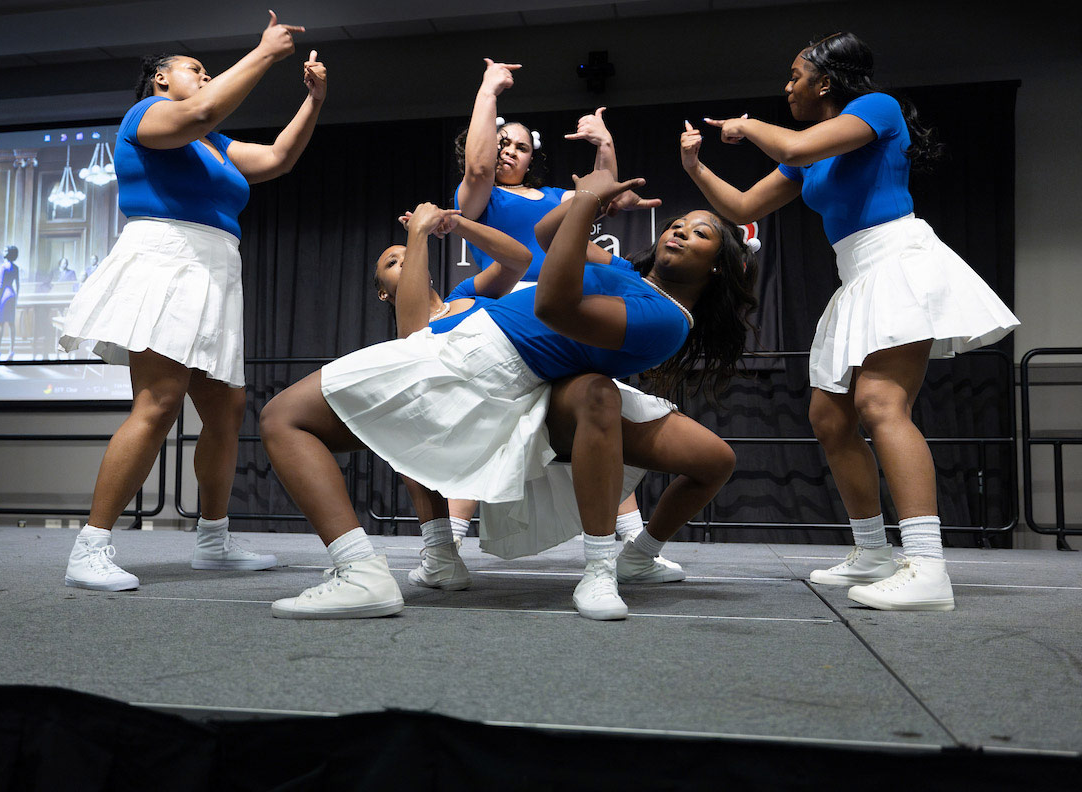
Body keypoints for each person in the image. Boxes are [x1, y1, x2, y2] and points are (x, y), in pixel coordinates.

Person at [259, 168, 756, 620]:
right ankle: (404, 562)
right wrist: (585, 208)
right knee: (289, 417)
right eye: (679, 223)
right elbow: (545, 236)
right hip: (477, 353)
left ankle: (362, 573)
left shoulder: (668, 320)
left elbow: (555, 307)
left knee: (284, 417)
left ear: (718, 267)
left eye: (700, 231)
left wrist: (583, 201)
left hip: (484, 359)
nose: (680, 229)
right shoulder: (628, 274)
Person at [682, 31, 1019, 611]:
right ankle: (872, 552)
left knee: (881, 405)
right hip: (857, 273)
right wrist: (693, 164)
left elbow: (792, 148)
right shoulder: (812, 158)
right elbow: (740, 209)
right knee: (829, 417)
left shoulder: (876, 109)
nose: (787, 87)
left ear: (826, 82)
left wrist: (745, 126)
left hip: (898, 261)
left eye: (795, 76)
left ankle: (927, 566)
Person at [57, 13, 325, 591]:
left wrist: (313, 101)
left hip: (215, 268)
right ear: (160, 80)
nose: (203, 77)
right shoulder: (146, 117)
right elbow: (201, 111)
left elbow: (278, 158)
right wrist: (265, 52)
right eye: (193, 68)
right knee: (159, 401)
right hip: (167, 257)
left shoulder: (216, 145)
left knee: (227, 408)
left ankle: (213, 540)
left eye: (206, 70)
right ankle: (91, 545)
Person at [450, 58, 660, 547]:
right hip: (513, 314)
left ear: (531, 159)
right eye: (503, 142)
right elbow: (478, 166)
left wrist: (604, 142)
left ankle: (633, 544)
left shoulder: (553, 195)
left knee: (597, 409)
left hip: (570, 312)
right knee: (488, 423)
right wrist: (488, 92)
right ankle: (447, 546)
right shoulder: (480, 198)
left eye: (520, 147)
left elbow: (601, 192)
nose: (509, 152)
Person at [0, 245, 20, 361]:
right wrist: (17, 298)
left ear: (9, 253)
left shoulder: (3, 266)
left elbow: (0, 286)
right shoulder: (16, 267)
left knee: (1, 324)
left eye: (5, 250)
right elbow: (18, 285)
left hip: (4, 295)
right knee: (11, 324)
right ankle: (11, 350)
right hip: (12, 294)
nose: (3, 251)